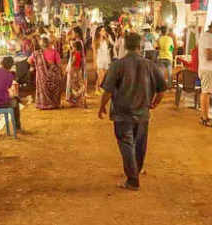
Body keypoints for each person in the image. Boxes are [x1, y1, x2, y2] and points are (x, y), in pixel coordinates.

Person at [98, 33, 167, 191]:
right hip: (142, 113)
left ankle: (132, 179)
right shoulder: (149, 65)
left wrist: (102, 106)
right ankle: (136, 169)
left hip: (122, 114)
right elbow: (162, 88)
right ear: (139, 46)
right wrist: (155, 102)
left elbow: (107, 91)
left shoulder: (117, 65)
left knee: (127, 144)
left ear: (124, 46)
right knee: (140, 143)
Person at [28, 37, 62, 110]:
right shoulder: (55, 52)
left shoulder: (36, 53)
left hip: (42, 78)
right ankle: (54, 104)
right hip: (53, 77)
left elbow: (29, 61)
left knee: (42, 86)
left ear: (41, 45)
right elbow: (59, 65)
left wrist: (38, 65)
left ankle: (43, 104)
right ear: (48, 44)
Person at [65, 41, 86, 108]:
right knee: (76, 85)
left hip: (74, 71)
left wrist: (71, 55)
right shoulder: (79, 53)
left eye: (73, 46)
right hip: (77, 71)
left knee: (74, 86)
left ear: (75, 47)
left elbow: (72, 63)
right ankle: (77, 101)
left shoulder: (76, 54)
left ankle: (77, 101)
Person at [93, 26, 113, 95]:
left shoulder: (106, 40)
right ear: (99, 32)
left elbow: (108, 49)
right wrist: (94, 62)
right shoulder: (95, 41)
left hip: (105, 59)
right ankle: (103, 91)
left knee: (102, 76)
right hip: (99, 59)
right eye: (103, 31)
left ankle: (96, 89)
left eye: (104, 31)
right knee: (101, 76)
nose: (104, 32)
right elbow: (94, 52)